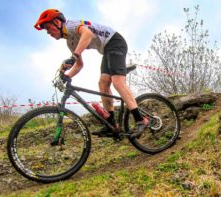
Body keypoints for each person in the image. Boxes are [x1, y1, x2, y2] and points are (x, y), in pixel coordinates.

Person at [34, 9, 149, 137]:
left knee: (117, 82)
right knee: (103, 84)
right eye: (46, 30)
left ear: (57, 22)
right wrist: (66, 76)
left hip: (115, 42)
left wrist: (74, 56)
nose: (48, 32)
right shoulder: (70, 41)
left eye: (48, 28)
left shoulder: (71, 25)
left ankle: (141, 119)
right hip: (107, 49)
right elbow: (79, 64)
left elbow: (87, 34)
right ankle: (112, 123)